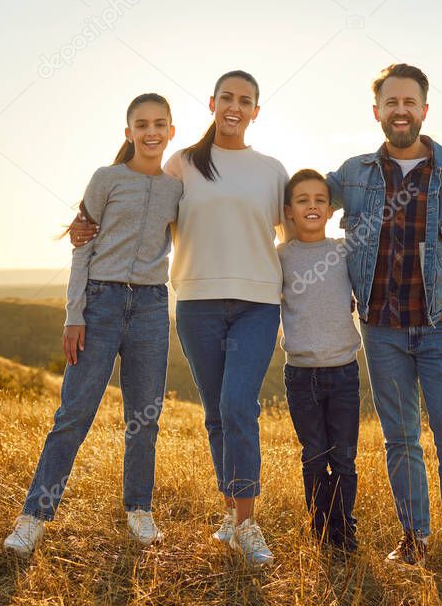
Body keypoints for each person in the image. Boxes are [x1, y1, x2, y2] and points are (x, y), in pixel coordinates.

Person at [70, 71, 288, 566]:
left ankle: (247, 523)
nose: (236, 106)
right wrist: (87, 226)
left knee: (238, 405)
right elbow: (141, 204)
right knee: (215, 412)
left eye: (246, 100)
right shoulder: (183, 164)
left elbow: (297, 230)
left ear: (257, 109)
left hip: (258, 304)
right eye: (227, 98)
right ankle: (231, 514)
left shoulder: (273, 170)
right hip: (197, 304)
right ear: (212, 103)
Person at [325, 64, 442, 576]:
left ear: (423, 110)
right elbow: (299, 202)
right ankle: (413, 540)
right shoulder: (354, 174)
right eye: (391, 102)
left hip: (440, 333)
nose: (399, 110)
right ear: (377, 111)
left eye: (409, 102)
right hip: (381, 331)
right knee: (399, 438)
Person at [4, 93, 182, 557]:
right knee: (73, 415)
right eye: (141, 124)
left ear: (171, 131)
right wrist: (74, 313)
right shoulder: (107, 179)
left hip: (150, 307)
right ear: (128, 133)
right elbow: (81, 246)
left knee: (144, 419)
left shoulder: (176, 188)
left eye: (159, 124)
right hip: (100, 303)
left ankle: (139, 511)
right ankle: (33, 518)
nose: (151, 132)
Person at [277, 169, 362, 555]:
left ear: (330, 209)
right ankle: (320, 528)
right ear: (289, 211)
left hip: (344, 371)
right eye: (302, 200)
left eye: (319, 200)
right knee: (314, 455)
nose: (312, 205)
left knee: (343, 457)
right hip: (301, 374)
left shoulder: (346, 251)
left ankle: (344, 530)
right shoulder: (279, 259)